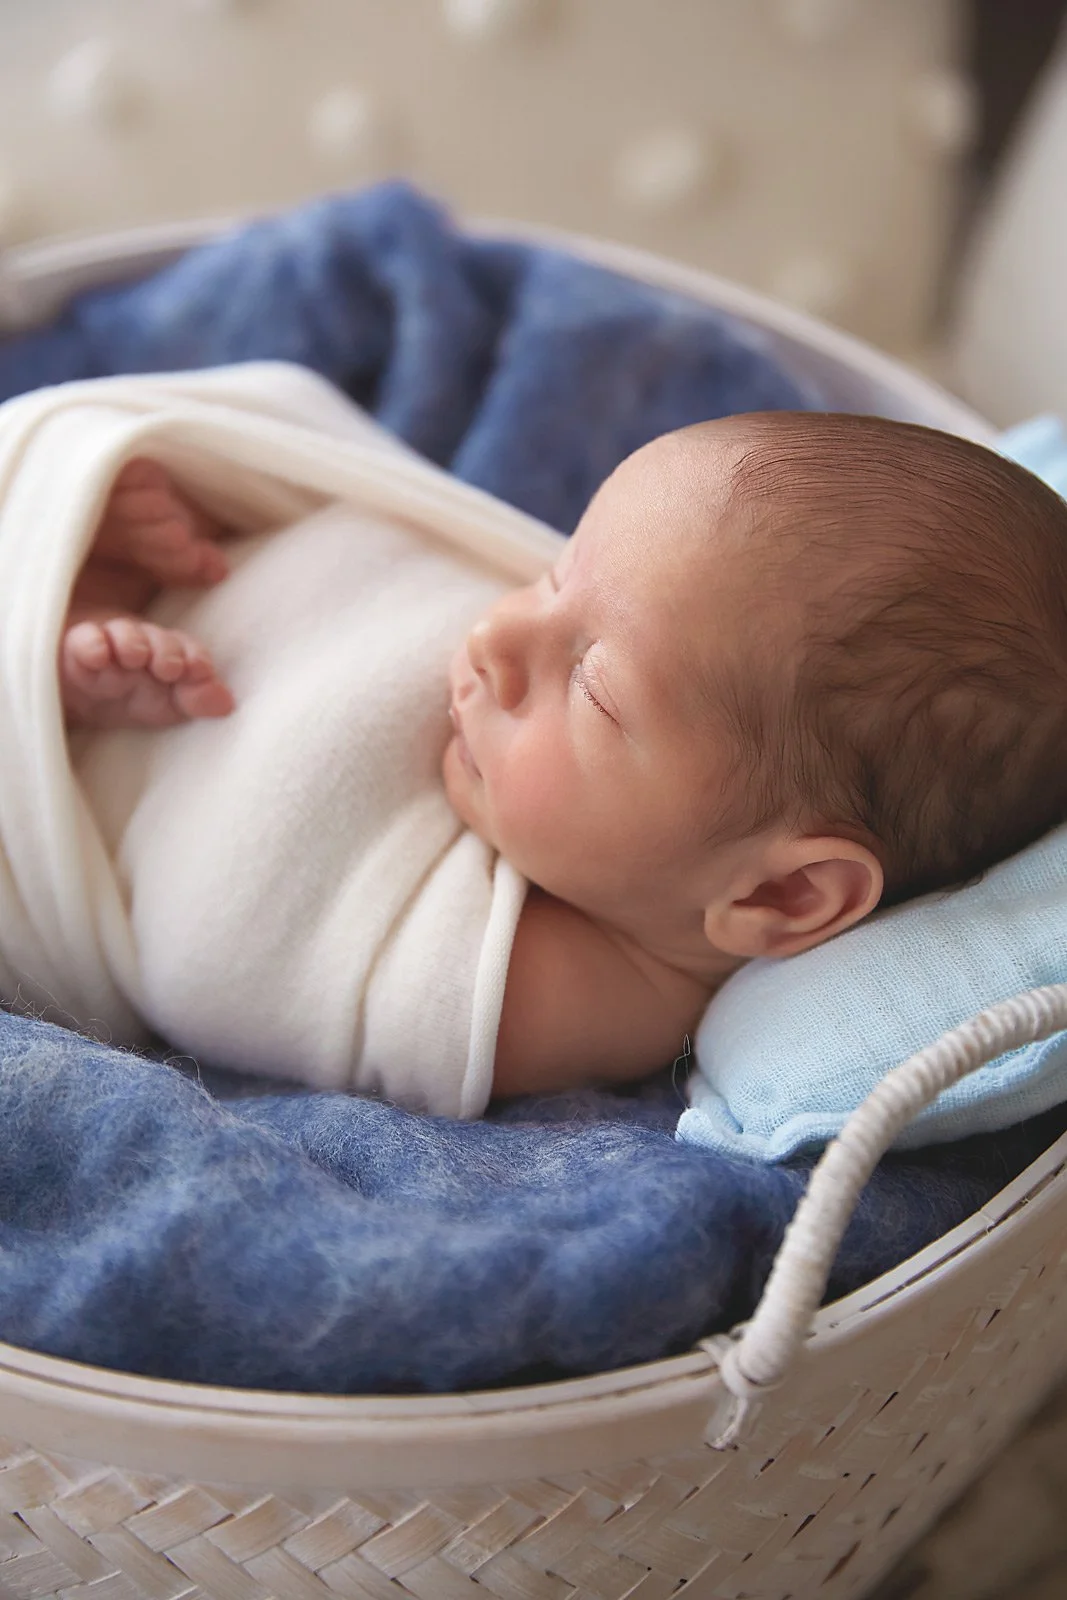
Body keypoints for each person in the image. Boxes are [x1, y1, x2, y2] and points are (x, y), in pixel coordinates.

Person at [60, 412, 1067, 1100]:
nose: (494, 636)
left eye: (589, 684)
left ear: (782, 899)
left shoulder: (610, 994)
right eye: (551, 574)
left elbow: (236, 939)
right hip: (207, 600)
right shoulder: (639, 659)